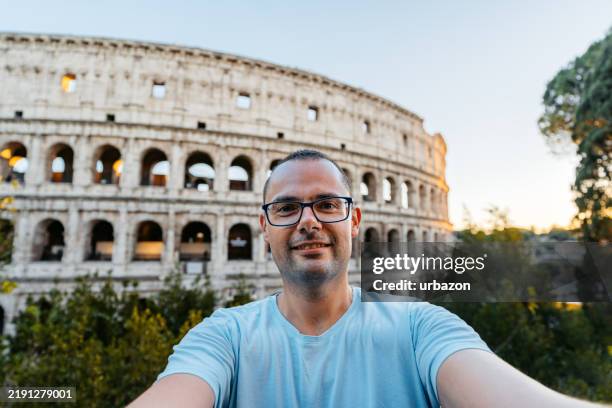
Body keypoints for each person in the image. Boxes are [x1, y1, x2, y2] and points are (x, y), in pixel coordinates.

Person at [129, 149, 603, 408]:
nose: (308, 221)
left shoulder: (420, 327)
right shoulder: (222, 337)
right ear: (264, 227)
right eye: (288, 207)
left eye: (328, 204)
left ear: (355, 223)